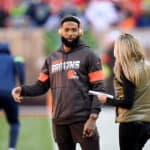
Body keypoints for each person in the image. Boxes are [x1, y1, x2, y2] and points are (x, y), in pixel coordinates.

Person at [11, 16, 105, 150]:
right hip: (59, 122)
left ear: (80, 32)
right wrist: (22, 89)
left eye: (74, 30)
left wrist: (93, 118)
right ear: (60, 31)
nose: (70, 33)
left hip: (83, 120)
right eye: (67, 30)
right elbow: (41, 86)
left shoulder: (90, 55)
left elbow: (99, 88)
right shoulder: (51, 58)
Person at [97, 33, 150, 150]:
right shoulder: (147, 66)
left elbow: (127, 103)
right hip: (147, 123)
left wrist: (105, 99)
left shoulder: (126, 70)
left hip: (131, 123)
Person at [0, 43, 25, 150]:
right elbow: (21, 73)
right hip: (9, 93)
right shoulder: (15, 59)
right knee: (14, 122)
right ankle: (11, 148)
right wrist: (22, 87)